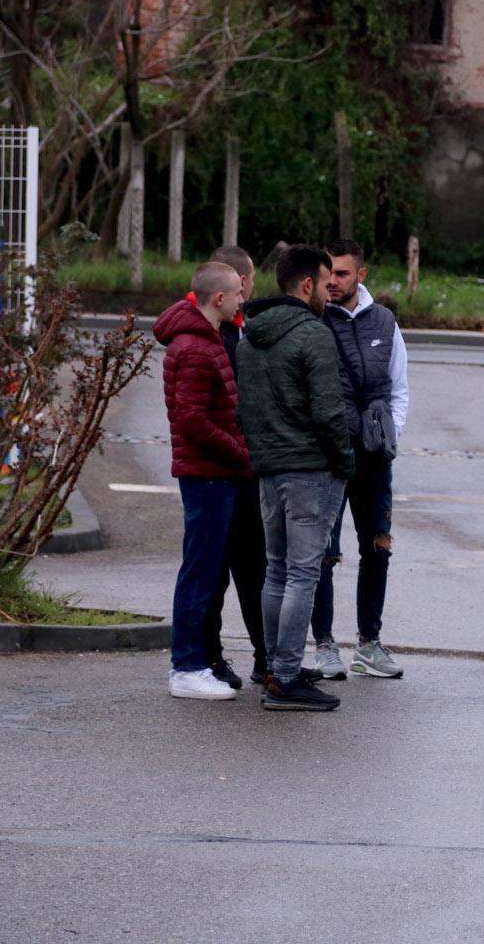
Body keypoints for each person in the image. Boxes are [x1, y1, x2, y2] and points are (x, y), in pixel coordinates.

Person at [238, 245, 354, 711]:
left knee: (277, 570)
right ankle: (286, 677)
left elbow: (243, 408)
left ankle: (273, 666)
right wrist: (346, 462)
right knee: (303, 572)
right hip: (310, 471)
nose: (331, 291)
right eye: (327, 283)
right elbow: (329, 413)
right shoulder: (314, 334)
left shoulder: (251, 334)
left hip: (267, 469)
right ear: (306, 285)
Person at [311, 239, 410, 680]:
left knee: (377, 549)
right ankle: (325, 646)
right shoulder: (311, 319)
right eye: (328, 273)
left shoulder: (385, 323)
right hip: (328, 458)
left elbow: (398, 388)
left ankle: (369, 644)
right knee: (322, 554)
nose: (333, 282)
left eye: (343, 274)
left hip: (374, 458)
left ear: (361, 276)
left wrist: (390, 438)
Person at [153, 261, 250, 701]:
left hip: (212, 473)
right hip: (208, 474)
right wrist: (240, 453)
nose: (243, 299)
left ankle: (192, 664)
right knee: (200, 573)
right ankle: (187, 667)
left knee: (204, 571)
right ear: (219, 298)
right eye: (237, 293)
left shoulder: (203, 339)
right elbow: (192, 420)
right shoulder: (195, 347)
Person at [192, 245, 269, 687]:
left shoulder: (237, 330)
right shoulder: (208, 338)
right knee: (215, 572)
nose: (251, 292)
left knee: (254, 567)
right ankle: (209, 657)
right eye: (250, 283)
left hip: (242, 472)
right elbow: (198, 416)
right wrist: (241, 451)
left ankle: (265, 656)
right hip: (221, 471)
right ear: (235, 285)